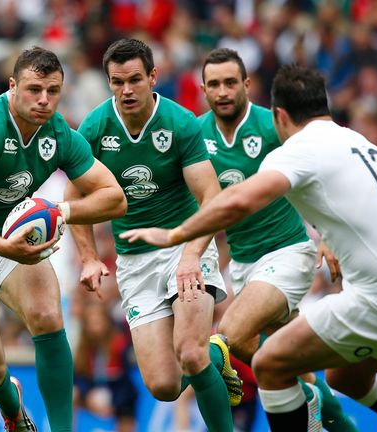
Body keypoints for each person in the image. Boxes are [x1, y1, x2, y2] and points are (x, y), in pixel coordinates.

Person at [121, 63, 377, 431]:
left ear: (279, 115)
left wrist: (176, 236)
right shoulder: (363, 145)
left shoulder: (296, 150)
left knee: (270, 362)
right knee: (344, 379)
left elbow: (239, 201)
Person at [0, 46, 126, 432]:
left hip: (11, 240)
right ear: (13, 86)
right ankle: (11, 406)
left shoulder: (59, 133)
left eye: (53, 91)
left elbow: (114, 198)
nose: (44, 100)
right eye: (35, 89)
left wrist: (59, 211)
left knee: (48, 316)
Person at [65, 38, 238, 432]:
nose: (126, 90)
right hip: (134, 260)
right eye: (117, 82)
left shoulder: (180, 123)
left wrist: (192, 255)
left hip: (184, 247)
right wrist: (91, 257)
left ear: (153, 77)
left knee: (190, 354)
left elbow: (210, 196)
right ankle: (217, 355)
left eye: (135, 80)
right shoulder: (94, 127)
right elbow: (73, 200)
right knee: (163, 385)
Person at [198, 48, 357, 431]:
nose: (223, 91)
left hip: (288, 251)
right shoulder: (196, 134)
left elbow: (322, 172)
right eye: (214, 84)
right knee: (292, 363)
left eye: (230, 83)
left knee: (230, 334)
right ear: (203, 89)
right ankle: (324, 406)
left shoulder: (272, 126)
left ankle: (307, 399)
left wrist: (327, 234)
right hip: (244, 263)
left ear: (247, 86)